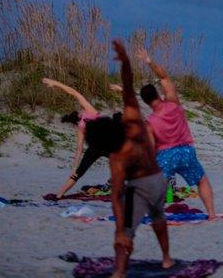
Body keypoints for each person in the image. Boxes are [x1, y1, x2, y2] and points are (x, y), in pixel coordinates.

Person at [85, 40, 174, 277]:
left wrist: (119, 229)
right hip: (159, 179)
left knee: (127, 231)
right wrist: (125, 61)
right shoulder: (134, 121)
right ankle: (166, 259)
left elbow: (116, 196)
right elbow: (127, 86)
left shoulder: (117, 158)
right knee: (158, 219)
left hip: (142, 187)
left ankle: (120, 271)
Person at [137, 48, 215, 219]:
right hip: (186, 150)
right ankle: (211, 214)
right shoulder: (173, 103)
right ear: (158, 94)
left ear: (145, 101)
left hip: (166, 154)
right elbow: (164, 77)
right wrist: (149, 61)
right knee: (202, 181)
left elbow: (151, 147)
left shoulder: (150, 121)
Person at [42, 78, 105, 199]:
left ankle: (60, 194)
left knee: (78, 173)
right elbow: (73, 92)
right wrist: (56, 83)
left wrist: (74, 168)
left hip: (94, 149)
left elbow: (79, 148)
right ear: (79, 113)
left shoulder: (81, 126)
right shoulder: (91, 112)